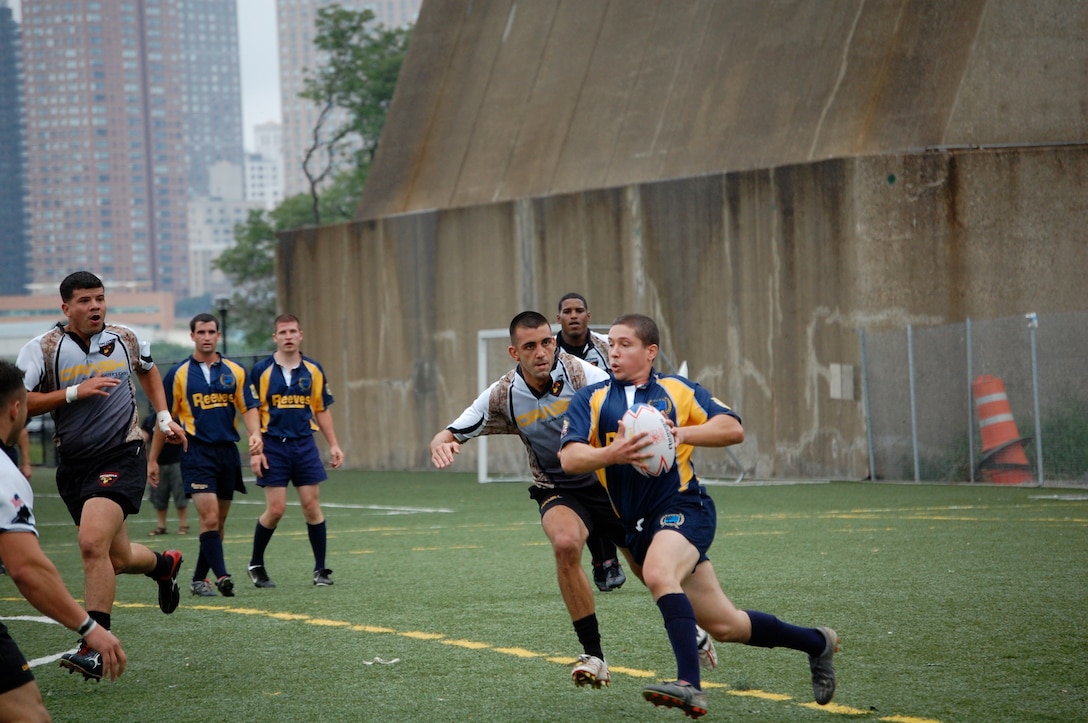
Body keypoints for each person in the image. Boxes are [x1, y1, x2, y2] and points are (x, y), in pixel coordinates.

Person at [559, 314, 838, 718]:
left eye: (625, 344)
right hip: (636, 526)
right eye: (612, 345)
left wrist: (683, 433)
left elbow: (732, 428)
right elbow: (569, 458)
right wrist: (611, 453)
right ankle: (817, 642)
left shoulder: (676, 390)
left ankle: (690, 684)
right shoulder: (592, 398)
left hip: (685, 507)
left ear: (650, 352)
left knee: (657, 572)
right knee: (727, 626)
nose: (614, 352)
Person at [14, 271, 188, 682]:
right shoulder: (41, 349)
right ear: (65, 308)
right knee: (117, 557)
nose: (95, 307)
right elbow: (19, 403)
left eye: (100, 299)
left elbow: (147, 370)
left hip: (122, 453)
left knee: (92, 543)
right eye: (85, 301)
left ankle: (94, 644)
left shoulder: (125, 338)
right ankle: (163, 566)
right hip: (74, 464)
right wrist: (75, 392)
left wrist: (163, 418)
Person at [0, 361, 127, 716]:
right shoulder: (5, 476)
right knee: (30, 714)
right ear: (16, 409)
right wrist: (90, 627)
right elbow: (27, 569)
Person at [150, 313, 262, 598]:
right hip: (196, 452)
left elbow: (248, 406)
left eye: (212, 331)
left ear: (218, 335)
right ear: (192, 336)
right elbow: (162, 419)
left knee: (218, 524)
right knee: (209, 519)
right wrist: (153, 459)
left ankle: (199, 579)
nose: (207, 336)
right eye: (201, 332)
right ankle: (222, 576)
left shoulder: (235, 371)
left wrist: (255, 434)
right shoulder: (178, 374)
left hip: (227, 453)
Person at [246, 314, 343, 588]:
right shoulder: (261, 370)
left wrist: (334, 444)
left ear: (300, 335)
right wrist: (256, 447)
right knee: (276, 509)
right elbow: (251, 410)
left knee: (312, 506)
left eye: (292, 331)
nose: (288, 336)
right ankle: (256, 564)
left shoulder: (313, 369)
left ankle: (321, 570)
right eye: (282, 332)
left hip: (304, 445)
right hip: (273, 445)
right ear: (275, 337)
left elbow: (321, 409)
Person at [555, 292, 625, 592]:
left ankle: (612, 558)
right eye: (567, 311)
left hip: (606, 430)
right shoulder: (548, 349)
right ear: (558, 318)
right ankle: (605, 561)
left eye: (579, 310)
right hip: (566, 433)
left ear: (589, 315)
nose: (573, 315)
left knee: (610, 496)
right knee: (586, 493)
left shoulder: (607, 347)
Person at [141, 409, 188, 536]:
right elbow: (144, 436)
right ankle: (161, 526)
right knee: (159, 495)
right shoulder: (150, 419)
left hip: (176, 461)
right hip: (158, 463)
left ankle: (183, 525)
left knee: (180, 494)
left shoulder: (177, 416)